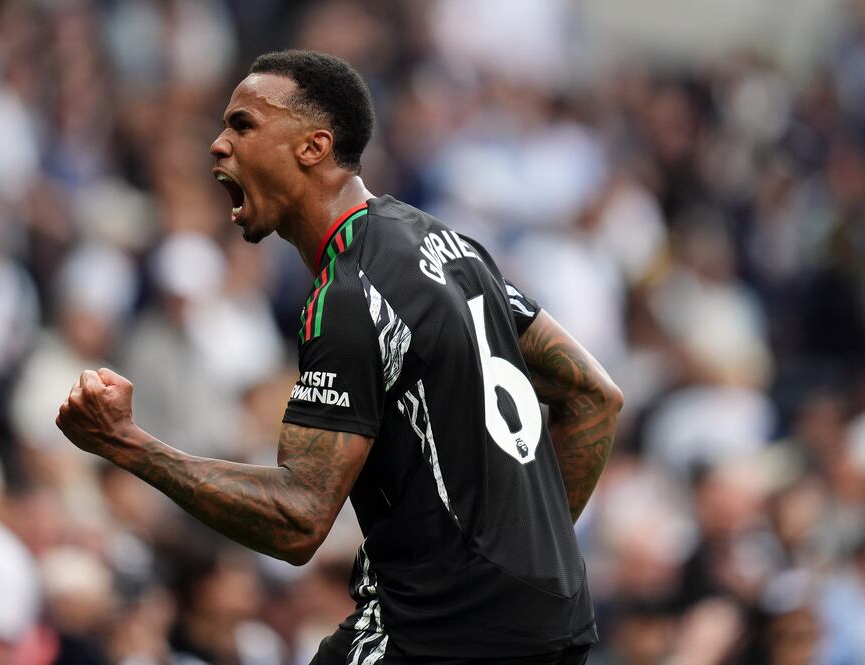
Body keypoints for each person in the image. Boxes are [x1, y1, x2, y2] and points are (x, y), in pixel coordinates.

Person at [57, 50, 623, 665]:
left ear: (312, 147)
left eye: (243, 125)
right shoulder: (450, 247)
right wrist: (528, 557)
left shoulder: (348, 295)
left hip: (443, 632)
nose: (218, 145)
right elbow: (595, 395)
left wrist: (128, 445)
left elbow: (298, 519)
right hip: (554, 620)